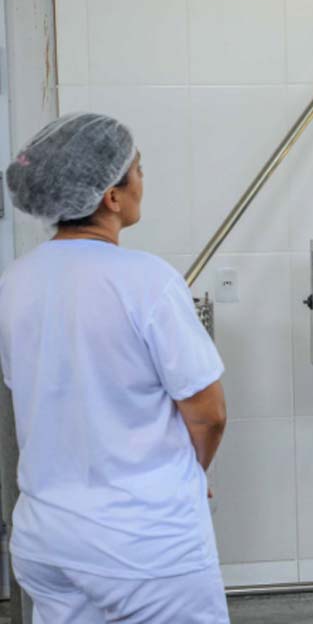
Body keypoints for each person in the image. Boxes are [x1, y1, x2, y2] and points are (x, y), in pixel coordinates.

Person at [0, 113, 231, 623]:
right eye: (138, 170)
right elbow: (208, 413)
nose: (143, 181)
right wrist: (190, 473)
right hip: (142, 545)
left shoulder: (15, 282)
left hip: (46, 541)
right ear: (112, 197)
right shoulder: (147, 280)